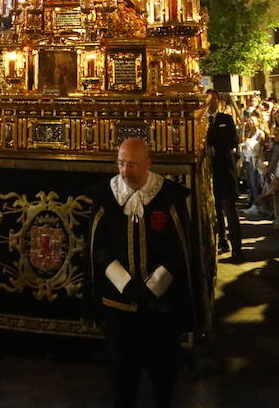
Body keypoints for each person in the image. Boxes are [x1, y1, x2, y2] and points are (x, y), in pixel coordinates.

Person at [85, 138, 193, 408]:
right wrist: (125, 283)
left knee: (163, 371)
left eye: (132, 164)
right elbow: (98, 247)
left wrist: (154, 285)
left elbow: (180, 247)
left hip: (159, 305)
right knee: (122, 373)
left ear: (148, 163)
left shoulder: (169, 195)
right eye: (121, 163)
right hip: (118, 303)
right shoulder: (105, 195)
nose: (125, 171)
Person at [207, 93, 243, 260]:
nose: (209, 103)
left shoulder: (226, 119)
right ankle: (222, 242)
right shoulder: (199, 121)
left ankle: (237, 247)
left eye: (212, 99)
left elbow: (233, 140)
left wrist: (217, 149)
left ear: (217, 101)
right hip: (209, 171)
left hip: (225, 169)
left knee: (230, 208)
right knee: (215, 211)